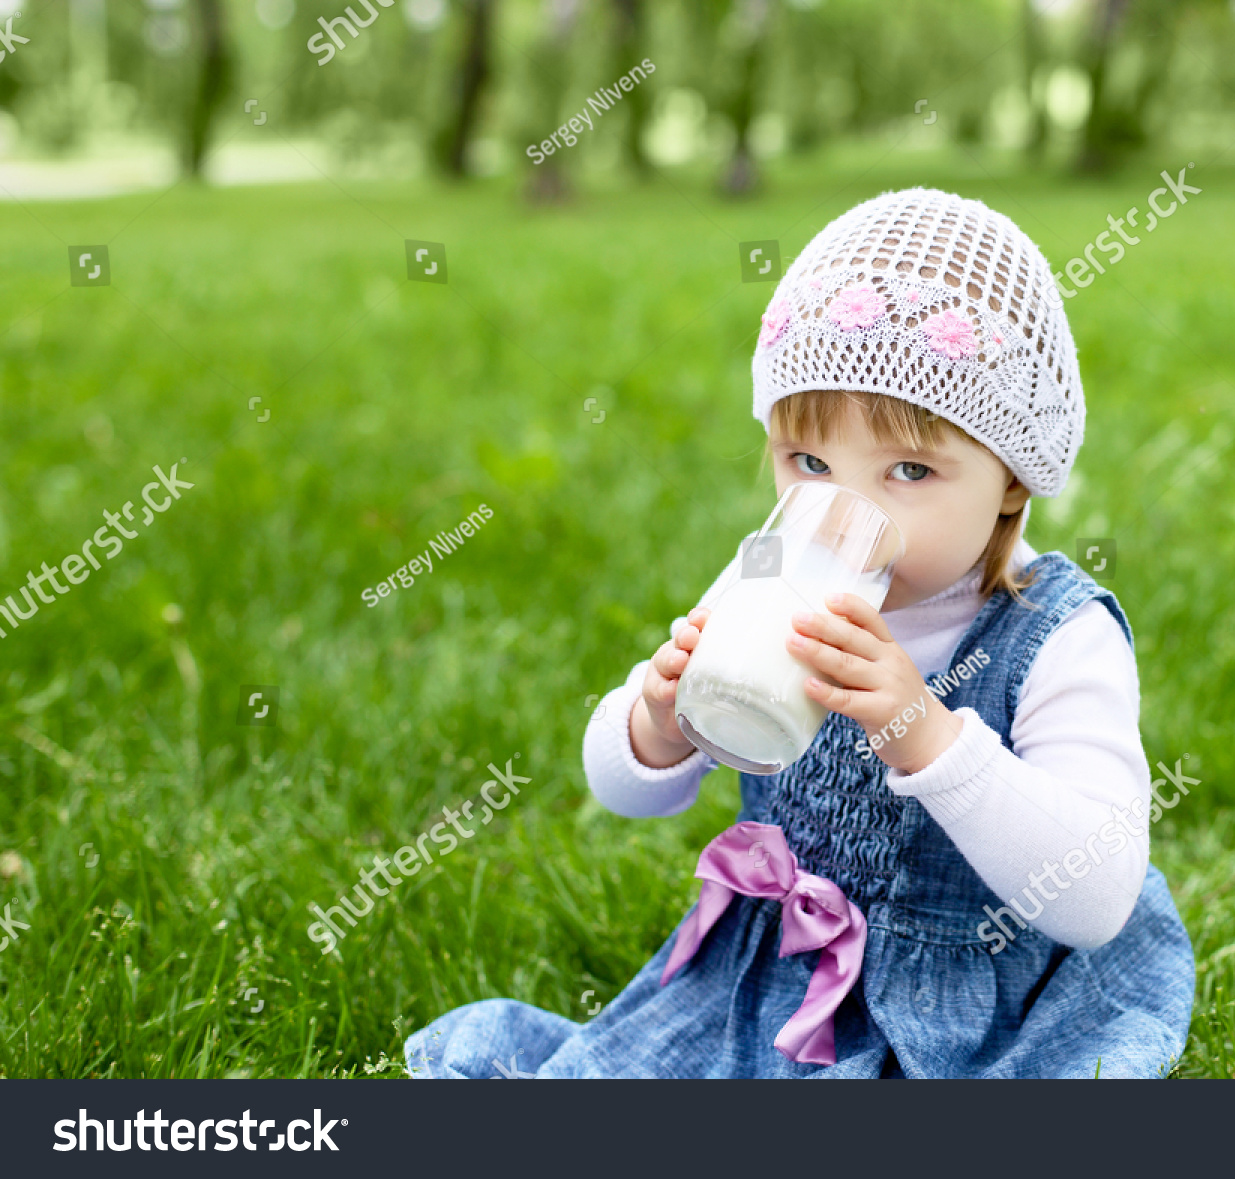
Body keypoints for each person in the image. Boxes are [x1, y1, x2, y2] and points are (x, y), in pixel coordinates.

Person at [404, 187, 1194, 1079]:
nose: (844, 509)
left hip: (979, 1001)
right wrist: (659, 724)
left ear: (1013, 480)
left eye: (909, 469)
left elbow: (1096, 893)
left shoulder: (1056, 637)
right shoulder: (776, 575)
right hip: (782, 983)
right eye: (808, 463)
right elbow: (618, 787)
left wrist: (927, 737)